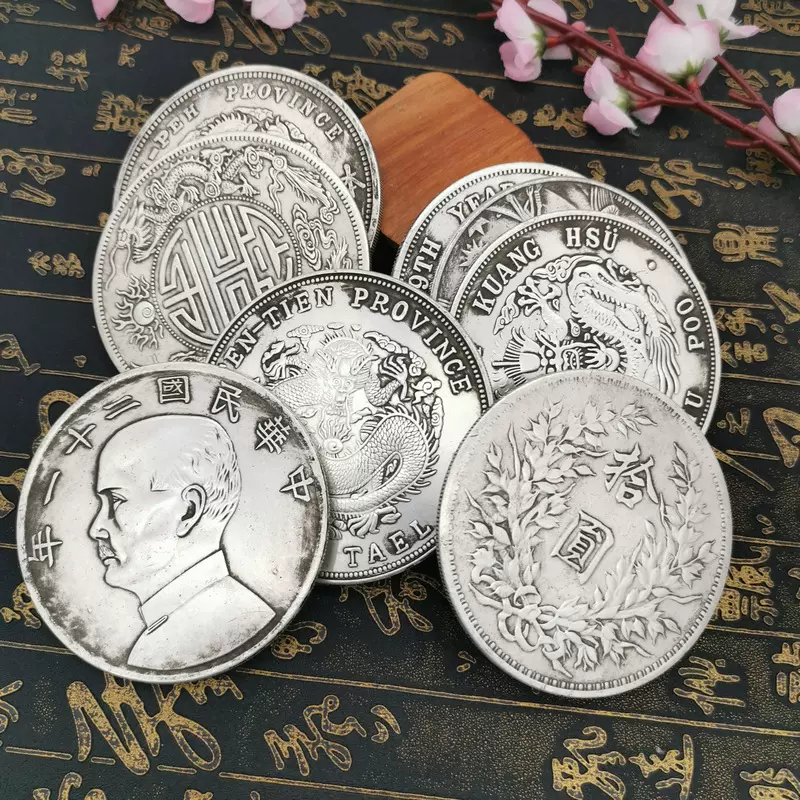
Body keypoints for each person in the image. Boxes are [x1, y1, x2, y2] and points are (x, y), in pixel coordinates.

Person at [89, 414, 274, 671]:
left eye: (116, 500)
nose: (96, 529)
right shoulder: (164, 635)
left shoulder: (227, 624)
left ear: (188, 511)